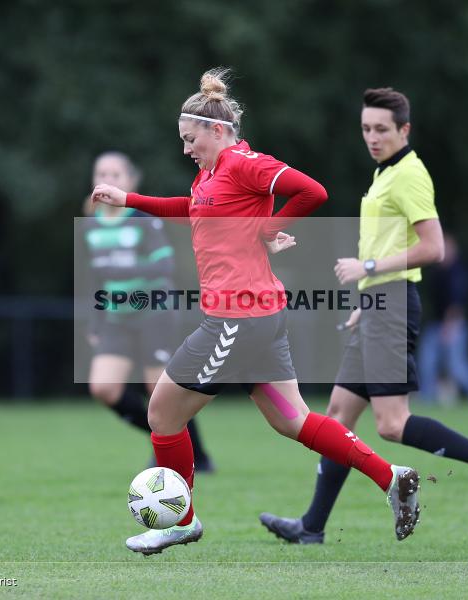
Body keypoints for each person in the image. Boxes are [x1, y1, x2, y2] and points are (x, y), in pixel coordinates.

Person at [90, 68, 421, 556]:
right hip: (257, 320)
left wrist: (269, 227)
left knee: (161, 412)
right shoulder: (209, 173)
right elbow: (192, 208)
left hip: (236, 321)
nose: (186, 149)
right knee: (294, 422)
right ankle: (390, 477)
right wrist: (130, 199)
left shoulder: (246, 164)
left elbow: (313, 191)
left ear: (217, 131)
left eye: (190, 139)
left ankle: (180, 521)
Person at [259, 87, 468, 545]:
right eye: (366, 128)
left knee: (391, 423)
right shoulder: (384, 175)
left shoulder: (408, 175)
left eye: (382, 129)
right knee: (338, 418)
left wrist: (368, 270)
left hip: (395, 302)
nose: (372, 136)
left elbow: (434, 248)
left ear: (405, 129)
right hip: (379, 304)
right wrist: (368, 298)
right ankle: (312, 527)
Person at [82, 151, 213, 471]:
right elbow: (95, 277)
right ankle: (166, 438)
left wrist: (122, 267)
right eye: (102, 173)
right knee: (104, 388)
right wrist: (94, 321)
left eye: (115, 175)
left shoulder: (142, 218)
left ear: (129, 181)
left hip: (153, 312)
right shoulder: (91, 224)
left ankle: (187, 452)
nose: (108, 180)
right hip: (115, 317)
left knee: (159, 393)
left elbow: (164, 266)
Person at [417, 233, 468, 405]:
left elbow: (457, 303)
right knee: (426, 362)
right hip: (436, 324)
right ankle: (426, 399)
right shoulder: (436, 272)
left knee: (457, 366)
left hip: (454, 324)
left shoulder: (458, 273)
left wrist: (449, 327)